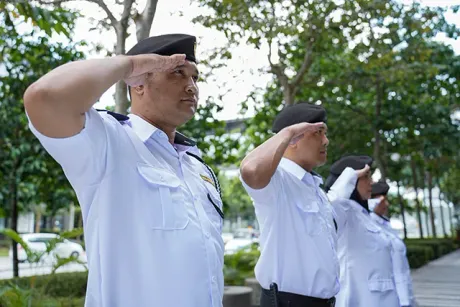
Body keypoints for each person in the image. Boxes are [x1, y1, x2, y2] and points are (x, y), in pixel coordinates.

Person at [24, 34, 224, 307]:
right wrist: (130, 65)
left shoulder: (194, 165)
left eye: (195, 77)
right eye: (178, 73)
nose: (191, 87)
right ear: (138, 84)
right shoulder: (107, 141)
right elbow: (44, 97)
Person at [239, 102, 358, 307]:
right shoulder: (277, 181)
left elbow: (338, 203)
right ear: (293, 139)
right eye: (318, 133)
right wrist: (288, 132)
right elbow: (250, 170)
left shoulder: (314, 188)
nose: (326, 140)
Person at [324, 155, 400, 307]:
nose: (371, 182)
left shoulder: (362, 214)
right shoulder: (345, 212)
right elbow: (329, 208)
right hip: (358, 299)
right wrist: (349, 176)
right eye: (365, 177)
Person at [370, 182, 417, 307]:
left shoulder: (385, 225)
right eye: (382, 201)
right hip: (385, 296)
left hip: (403, 294)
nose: (386, 205)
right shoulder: (369, 227)